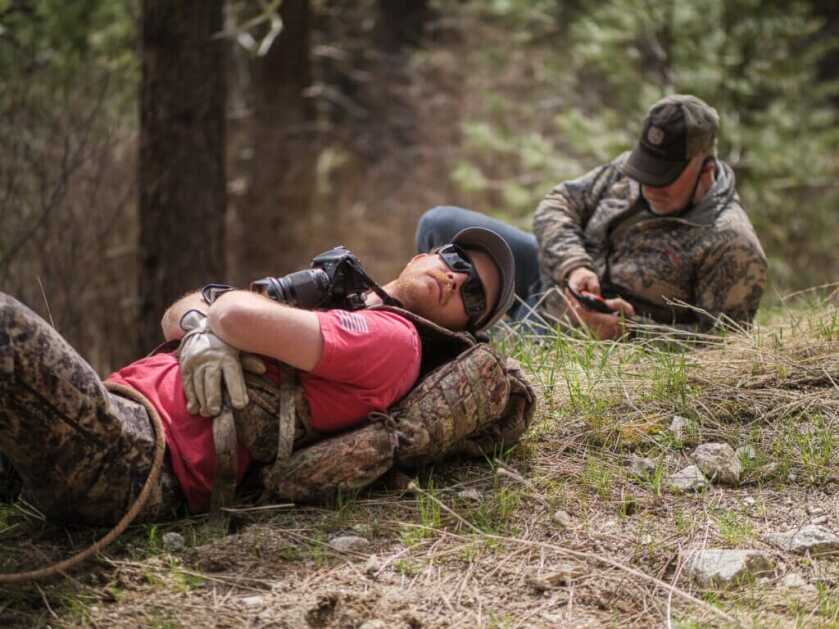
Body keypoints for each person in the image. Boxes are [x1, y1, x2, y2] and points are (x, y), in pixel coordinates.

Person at [0, 227, 516, 525]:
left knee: (7, 327)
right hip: (122, 420)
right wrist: (201, 329)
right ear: (422, 253)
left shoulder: (393, 340)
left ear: (463, 330)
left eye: (473, 296)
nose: (456, 277)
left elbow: (234, 314)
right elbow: (181, 310)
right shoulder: (340, 312)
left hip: (137, 457)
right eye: (456, 259)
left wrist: (214, 321)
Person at [417, 94, 768, 339]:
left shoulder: (733, 248)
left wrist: (625, 332)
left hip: (578, 336)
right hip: (552, 278)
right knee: (438, 225)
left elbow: (720, 346)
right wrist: (574, 266)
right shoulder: (629, 172)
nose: (648, 185)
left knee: (492, 357)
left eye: (666, 176)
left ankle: (441, 349)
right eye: (647, 168)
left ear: (706, 171)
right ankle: (421, 328)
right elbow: (557, 203)